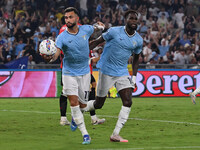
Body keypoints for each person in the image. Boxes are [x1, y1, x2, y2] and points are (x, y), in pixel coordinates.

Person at [44, 7, 105, 145]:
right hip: (69, 73)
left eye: (70, 17)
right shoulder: (62, 37)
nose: (68, 20)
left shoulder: (86, 29)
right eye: (66, 18)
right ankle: (85, 135)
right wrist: (50, 59)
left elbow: (95, 28)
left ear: (77, 19)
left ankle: (75, 118)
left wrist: (100, 26)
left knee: (83, 106)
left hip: (84, 73)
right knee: (73, 102)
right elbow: (56, 55)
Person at [85, 9, 143, 142]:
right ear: (125, 20)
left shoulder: (138, 40)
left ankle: (115, 134)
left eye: (135, 19)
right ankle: (80, 109)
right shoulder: (114, 31)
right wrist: (81, 49)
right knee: (98, 104)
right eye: (131, 18)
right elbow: (97, 42)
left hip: (122, 72)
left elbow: (136, 58)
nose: (133, 21)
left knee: (128, 101)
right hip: (106, 70)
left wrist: (133, 77)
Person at [58, 22, 105, 126]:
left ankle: (92, 118)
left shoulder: (82, 42)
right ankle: (67, 117)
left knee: (92, 85)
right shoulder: (67, 42)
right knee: (66, 93)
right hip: (71, 71)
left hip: (84, 71)